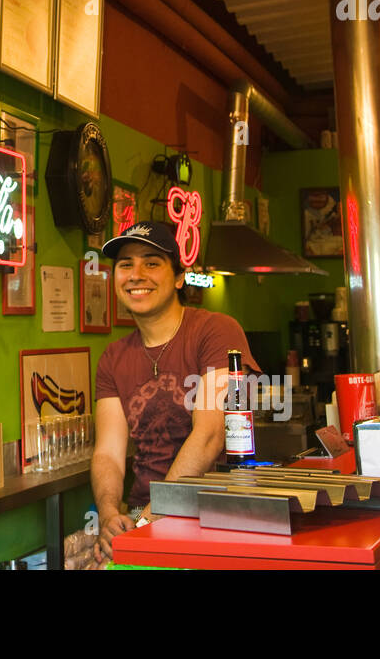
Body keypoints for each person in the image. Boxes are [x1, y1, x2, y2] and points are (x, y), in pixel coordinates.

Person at [74, 220, 259, 569]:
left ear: (178, 278)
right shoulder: (114, 358)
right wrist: (110, 515)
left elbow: (209, 435)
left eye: (152, 262)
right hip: (142, 516)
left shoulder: (215, 331)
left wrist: (151, 517)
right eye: (126, 264)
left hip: (215, 518)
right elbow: (109, 454)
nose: (136, 274)